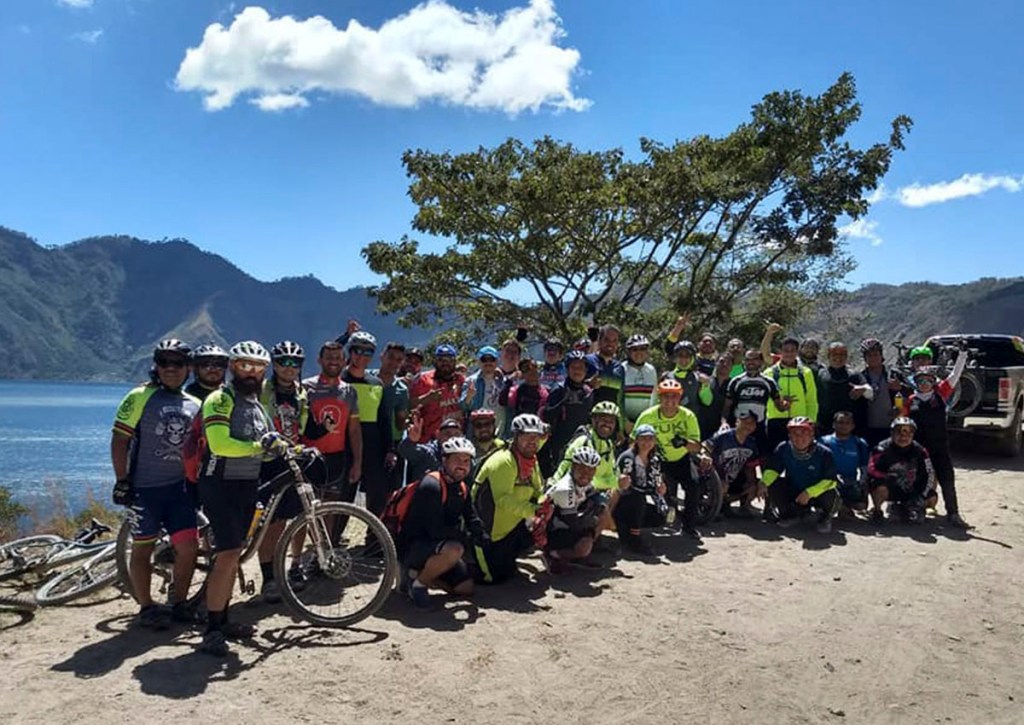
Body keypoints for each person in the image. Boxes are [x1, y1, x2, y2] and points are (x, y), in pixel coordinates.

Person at [196, 340, 281, 656]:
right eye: (245, 365)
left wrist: (293, 449)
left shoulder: (257, 404)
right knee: (229, 555)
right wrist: (262, 448)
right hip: (219, 484)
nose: (252, 372)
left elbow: (272, 440)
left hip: (246, 482)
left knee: (234, 554)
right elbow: (220, 445)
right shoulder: (220, 399)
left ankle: (225, 618)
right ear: (233, 367)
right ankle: (212, 629)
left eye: (258, 367)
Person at [111, 339, 200, 629]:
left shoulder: (195, 404)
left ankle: (179, 602)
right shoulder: (139, 396)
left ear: (188, 368)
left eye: (178, 363)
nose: (171, 369)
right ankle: (147, 606)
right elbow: (120, 440)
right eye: (164, 362)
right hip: (144, 489)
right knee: (142, 549)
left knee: (188, 547)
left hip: (179, 491)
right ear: (156, 366)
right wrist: (122, 480)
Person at [394, 436, 488, 609]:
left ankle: (417, 576)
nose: (462, 465)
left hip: (437, 546)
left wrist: (481, 535)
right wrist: (466, 539)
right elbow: (434, 530)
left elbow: (471, 517)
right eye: (457, 459)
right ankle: (418, 585)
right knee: (455, 549)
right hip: (413, 546)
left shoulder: (462, 487)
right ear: (444, 460)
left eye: (466, 461)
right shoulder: (431, 485)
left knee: (466, 588)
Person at [256, 340, 310, 602]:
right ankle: (268, 579)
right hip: (265, 462)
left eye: (295, 363)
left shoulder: (301, 393)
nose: (289, 367)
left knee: (295, 518)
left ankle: (291, 568)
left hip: (291, 459)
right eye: (283, 362)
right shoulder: (260, 389)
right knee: (270, 524)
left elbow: (302, 428)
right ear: (274, 365)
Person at [471, 414, 546, 584]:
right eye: (527, 437)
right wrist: (534, 511)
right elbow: (502, 500)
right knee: (493, 580)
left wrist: (544, 507)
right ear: (516, 437)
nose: (532, 441)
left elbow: (538, 491)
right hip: (489, 535)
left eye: (536, 437)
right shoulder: (504, 461)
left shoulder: (531, 460)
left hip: (511, 529)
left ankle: (509, 555)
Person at [901, 355, 971, 528]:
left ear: (933, 381)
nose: (924, 383)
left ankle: (953, 513)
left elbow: (955, 375)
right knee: (919, 480)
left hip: (940, 446)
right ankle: (918, 510)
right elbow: (902, 420)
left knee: (947, 478)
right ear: (915, 382)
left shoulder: (941, 394)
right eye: (920, 380)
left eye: (928, 380)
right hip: (919, 449)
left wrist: (962, 356)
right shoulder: (910, 400)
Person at [634, 379, 704, 540]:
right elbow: (633, 441)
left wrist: (684, 443)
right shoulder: (648, 416)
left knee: (693, 485)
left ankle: (689, 526)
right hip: (655, 459)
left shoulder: (688, 416)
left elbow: (697, 447)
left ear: (679, 398)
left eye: (674, 397)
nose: (670, 401)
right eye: (666, 396)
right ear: (659, 397)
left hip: (680, 459)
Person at [302, 340, 362, 504]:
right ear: (319, 360)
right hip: (309, 456)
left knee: (331, 506)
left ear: (344, 361)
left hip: (336, 457)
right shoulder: (305, 387)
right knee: (305, 509)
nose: (333, 361)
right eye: (329, 357)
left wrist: (357, 463)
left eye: (337, 357)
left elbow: (354, 431)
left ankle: (327, 532)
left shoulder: (349, 391)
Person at [342, 331, 393, 515]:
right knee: (344, 494)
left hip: (373, 444)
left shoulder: (377, 383)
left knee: (376, 494)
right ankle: (332, 538)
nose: (362, 356)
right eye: (358, 350)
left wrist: (390, 449)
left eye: (368, 352)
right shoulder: (340, 380)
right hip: (345, 442)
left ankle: (374, 539)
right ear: (350, 352)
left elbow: (384, 419)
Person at [761, 417, 839, 533]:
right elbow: (773, 469)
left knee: (830, 492)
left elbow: (831, 481)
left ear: (812, 434)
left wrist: (809, 492)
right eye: (794, 433)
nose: (799, 437)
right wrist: (763, 483)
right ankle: (789, 515)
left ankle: (825, 517)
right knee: (774, 484)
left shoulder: (824, 453)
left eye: (804, 432)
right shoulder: (784, 448)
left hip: (817, 492)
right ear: (789, 435)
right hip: (795, 489)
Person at [542, 447, 607, 573]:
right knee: (584, 546)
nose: (586, 473)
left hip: (565, 523)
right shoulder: (565, 489)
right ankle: (552, 555)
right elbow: (573, 524)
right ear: (573, 467)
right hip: (550, 531)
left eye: (591, 469)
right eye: (582, 468)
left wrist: (599, 504)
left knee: (603, 511)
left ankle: (577, 554)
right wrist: (590, 532)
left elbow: (595, 496)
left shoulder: (582, 480)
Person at [867, 418, 936, 525]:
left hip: (912, 489)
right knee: (878, 487)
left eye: (908, 432)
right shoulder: (881, 448)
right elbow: (871, 469)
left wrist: (922, 495)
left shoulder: (921, 451)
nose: (903, 436)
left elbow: (930, 473)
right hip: (890, 488)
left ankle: (910, 507)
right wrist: (885, 476)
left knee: (932, 497)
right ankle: (877, 511)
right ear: (892, 433)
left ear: (913, 434)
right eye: (899, 431)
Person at [614, 424, 668, 554]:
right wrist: (622, 481)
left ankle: (629, 529)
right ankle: (634, 537)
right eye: (643, 438)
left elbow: (656, 481)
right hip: (624, 499)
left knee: (662, 513)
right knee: (638, 499)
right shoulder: (628, 458)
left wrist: (661, 488)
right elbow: (623, 484)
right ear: (636, 440)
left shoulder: (654, 459)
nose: (646, 442)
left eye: (650, 439)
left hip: (642, 495)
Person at [542, 349, 595, 478]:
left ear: (586, 370)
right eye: (574, 367)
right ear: (567, 369)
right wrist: (562, 402)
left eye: (581, 367)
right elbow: (547, 415)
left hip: (581, 441)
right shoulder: (559, 389)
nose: (577, 371)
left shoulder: (588, 392)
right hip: (559, 442)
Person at [723, 349, 787, 452]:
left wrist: (785, 405)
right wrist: (723, 422)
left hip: (759, 429)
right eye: (748, 359)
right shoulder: (735, 381)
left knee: (759, 459)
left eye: (755, 359)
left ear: (761, 362)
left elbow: (779, 407)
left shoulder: (769, 382)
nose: (751, 362)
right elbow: (726, 406)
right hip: (738, 428)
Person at [554, 401, 622, 496]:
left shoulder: (608, 444)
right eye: (603, 420)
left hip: (591, 491)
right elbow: (574, 477)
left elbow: (610, 475)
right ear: (593, 420)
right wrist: (612, 483)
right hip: (570, 492)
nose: (607, 424)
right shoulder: (583, 441)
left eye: (611, 421)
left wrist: (613, 483)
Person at [763, 336, 818, 450]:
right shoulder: (769, 373)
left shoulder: (806, 373)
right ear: (780, 351)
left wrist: (811, 421)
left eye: (792, 351)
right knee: (775, 457)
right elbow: (765, 399)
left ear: (797, 352)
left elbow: (811, 400)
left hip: (800, 422)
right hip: (775, 421)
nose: (789, 354)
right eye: (786, 351)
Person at [704, 410, 761, 517]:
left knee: (755, 485)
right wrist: (706, 457)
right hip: (714, 476)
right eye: (745, 422)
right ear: (737, 422)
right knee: (722, 485)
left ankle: (743, 506)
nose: (748, 426)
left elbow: (750, 466)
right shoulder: (723, 436)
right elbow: (705, 447)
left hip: (734, 476)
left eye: (751, 423)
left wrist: (752, 483)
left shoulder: (751, 443)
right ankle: (714, 508)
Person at [409, 344, 465, 441]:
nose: (445, 363)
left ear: (455, 361)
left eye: (449, 359)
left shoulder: (461, 380)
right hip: (429, 440)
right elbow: (408, 405)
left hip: (456, 439)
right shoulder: (423, 380)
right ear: (435, 361)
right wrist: (427, 398)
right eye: (441, 360)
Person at [816, 342, 871, 436]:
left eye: (842, 354)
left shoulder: (854, 374)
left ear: (846, 356)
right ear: (828, 356)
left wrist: (863, 389)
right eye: (834, 354)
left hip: (851, 429)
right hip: (825, 427)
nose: (838, 357)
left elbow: (870, 393)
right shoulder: (820, 374)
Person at [821, 411, 870, 515]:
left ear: (853, 426)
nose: (844, 426)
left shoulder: (860, 443)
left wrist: (861, 482)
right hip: (831, 482)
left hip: (851, 482)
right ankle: (836, 506)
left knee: (860, 506)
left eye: (848, 423)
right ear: (834, 424)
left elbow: (864, 466)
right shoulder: (823, 442)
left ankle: (845, 505)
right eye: (840, 422)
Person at [858, 338, 902, 447]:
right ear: (865, 358)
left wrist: (899, 388)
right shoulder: (860, 377)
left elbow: (910, 395)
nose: (873, 358)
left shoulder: (894, 374)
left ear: (881, 355)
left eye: (876, 354)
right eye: (869, 355)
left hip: (892, 426)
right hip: (868, 427)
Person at [399, 415, 464, 486]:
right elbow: (405, 451)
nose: (452, 438)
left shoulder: (464, 455)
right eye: (447, 434)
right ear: (438, 435)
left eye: (457, 434)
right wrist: (410, 441)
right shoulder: (428, 452)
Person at [654, 340, 713, 415]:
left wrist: (706, 385)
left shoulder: (699, 378)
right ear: (675, 358)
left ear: (693, 358)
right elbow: (656, 402)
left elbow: (707, 402)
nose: (683, 359)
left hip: (691, 421)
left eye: (687, 355)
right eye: (680, 355)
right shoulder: (666, 377)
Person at [462, 346, 506, 438]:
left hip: (500, 429)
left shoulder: (503, 381)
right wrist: (469, 397)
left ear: (497, 362)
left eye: (492, 359)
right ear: (479, 362)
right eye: (484, 359)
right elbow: (463, 407)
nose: (488, 363)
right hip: (478, 429)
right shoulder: (471, 381)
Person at [585, 324, 626, 412]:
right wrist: (588, 384)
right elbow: (573, 387)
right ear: (599, 341)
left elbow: (620, 398)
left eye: (614, 340)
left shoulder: (620, 368)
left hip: (611, 420)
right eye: (606, 339)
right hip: (589, 418)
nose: (610, 344)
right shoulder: (587, 361)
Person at [499, 357, 549, 427]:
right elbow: (503, 402)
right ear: (522, 373)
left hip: (537, 428)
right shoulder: (516, 391)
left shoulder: (545, 393)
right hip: (520, 428)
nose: (531, 371)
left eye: (534, 367)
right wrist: (509, 380)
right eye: (526, 369)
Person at [622, 334, 658, 430]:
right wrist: (624, 421)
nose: (639, 352)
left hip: (646, 422)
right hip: (625, 423)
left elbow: (654, 398)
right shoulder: (621, 369)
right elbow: (617, 398)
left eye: (643, 349)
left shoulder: (651, 370)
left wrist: (650, 420)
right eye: (635, 349)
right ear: (628, 352)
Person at [697, 354, 733, 441]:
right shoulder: (705, 381)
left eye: (728, 363)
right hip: (701, 427)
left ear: (732, 367)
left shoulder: (733, 384)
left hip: (724, 429)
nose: (725, 364)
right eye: (721, 361)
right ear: (715, 363)